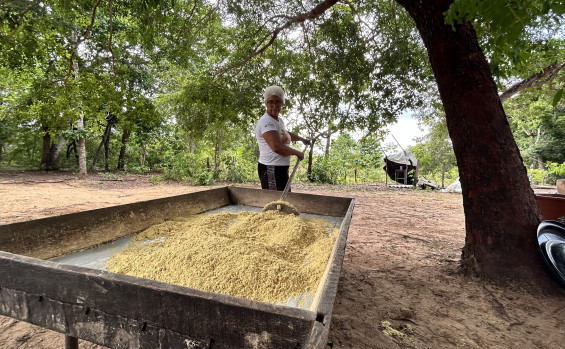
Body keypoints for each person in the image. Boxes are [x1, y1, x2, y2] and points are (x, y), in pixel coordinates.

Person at [255, 85, 311, 191]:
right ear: (266, 103)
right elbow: (276, 147)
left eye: (278, 102)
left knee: (284, 200)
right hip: (271, 168)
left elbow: (285, 134)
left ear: (282, 104)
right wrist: (297, 153)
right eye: (271, 102)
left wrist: (302, 139)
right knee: (275, 203)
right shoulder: (266, 121)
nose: (274, 105)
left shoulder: (279, 121)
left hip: (280, 168)